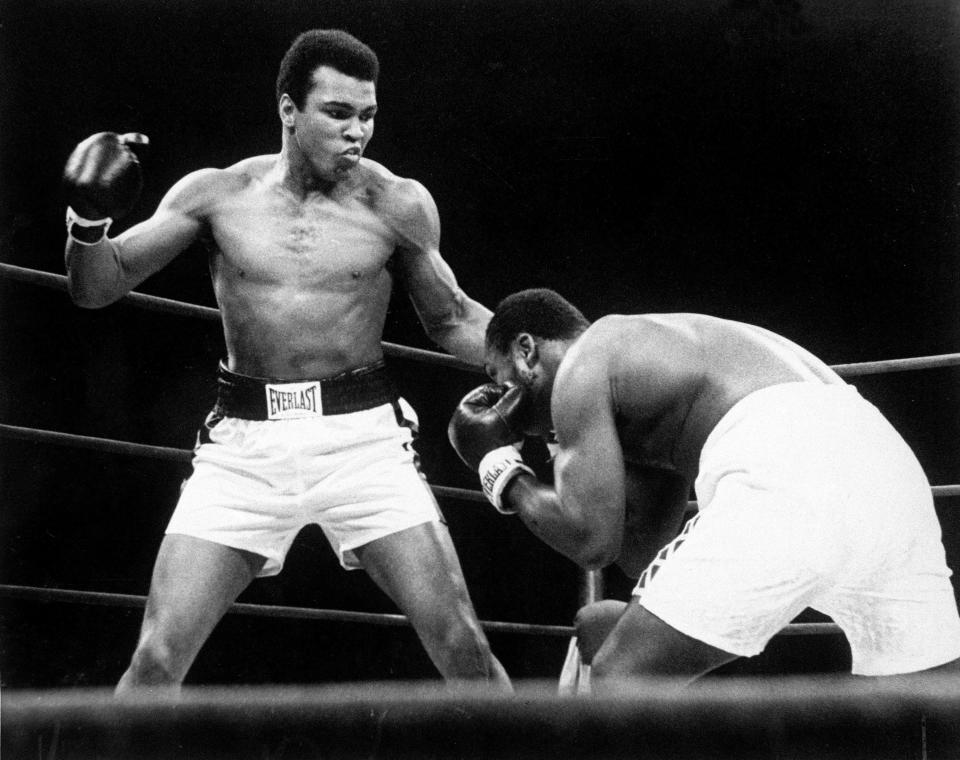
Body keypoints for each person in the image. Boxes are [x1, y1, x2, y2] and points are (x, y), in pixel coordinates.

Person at [63, 29, 510, 692]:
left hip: (362, 441)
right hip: (245, 448)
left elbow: (453, 317)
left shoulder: (397, 203)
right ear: (288, 110)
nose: (356, 133)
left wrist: (557, 366)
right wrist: (86, 220)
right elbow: (97, 286)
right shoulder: (217, 195)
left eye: (367, 116)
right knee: (155, 663)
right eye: (337, 114)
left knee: (463, 645)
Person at [448, 287, 960, 687]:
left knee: (622, 678)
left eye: (499, 378)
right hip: (884, 467)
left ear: (526, 351)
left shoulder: (586, 359)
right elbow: (640, 553)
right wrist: (632, 619)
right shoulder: (653, 367)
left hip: (788, 459)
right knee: (919, 695)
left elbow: (590, 541)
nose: (507, 406)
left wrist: (497, 466)